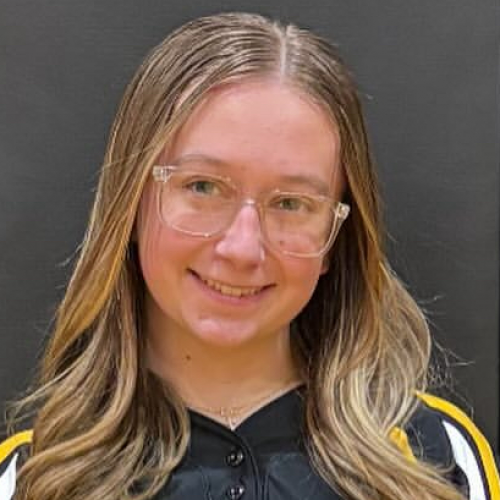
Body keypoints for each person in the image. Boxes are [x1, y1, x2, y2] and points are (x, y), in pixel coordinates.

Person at [0, 11, 498, 500]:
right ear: (129, 205)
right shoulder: (35, 479)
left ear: (334, 238)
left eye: (291, 204)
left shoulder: (431, 461)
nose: (242, 248)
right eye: (202, 186)